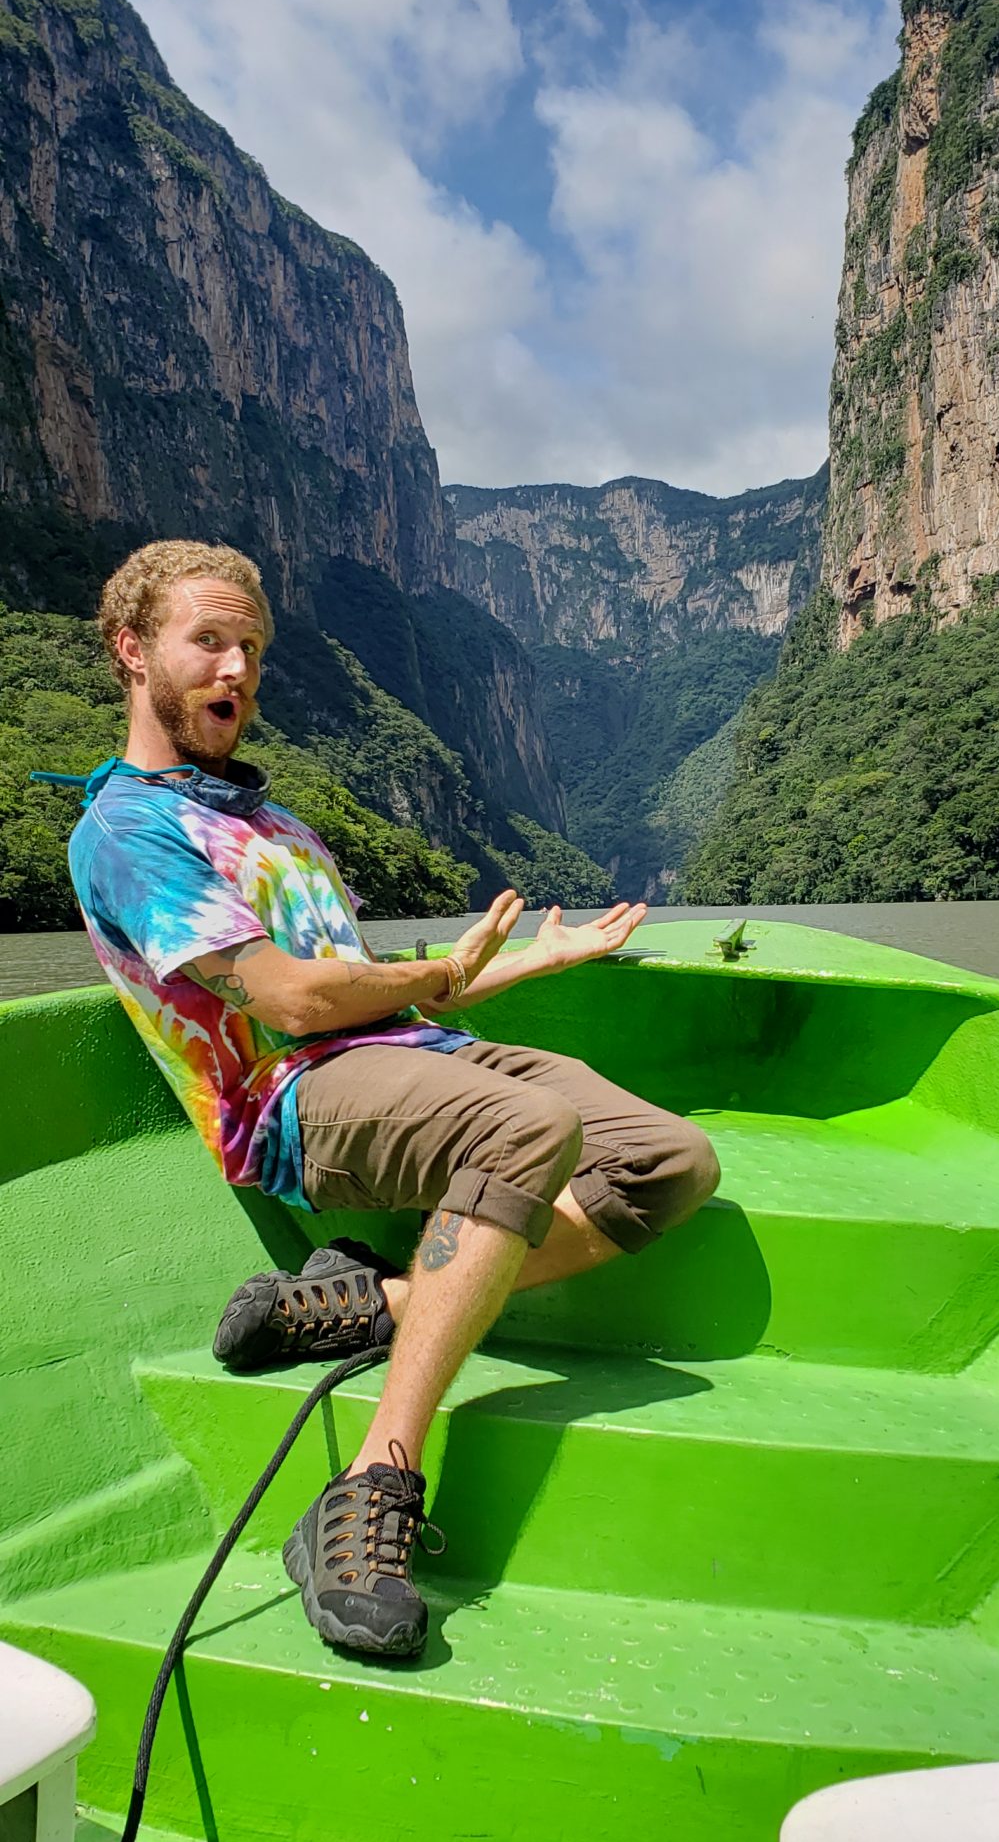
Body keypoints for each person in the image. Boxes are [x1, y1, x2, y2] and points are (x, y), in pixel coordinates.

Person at [64, 539, 721, 1660]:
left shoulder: (275, 827)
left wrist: (514, 968)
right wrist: (444, 975)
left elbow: (364, 981)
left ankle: (378, 1302)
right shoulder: (127, 830)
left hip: (406, 1051)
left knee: (668, 1162)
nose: (237, 669)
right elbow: (292, 996)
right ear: (132, 651)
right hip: (290, 1099)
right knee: (529, 1129)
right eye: (208, 641)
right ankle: (370, 1482)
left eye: (252, 649)